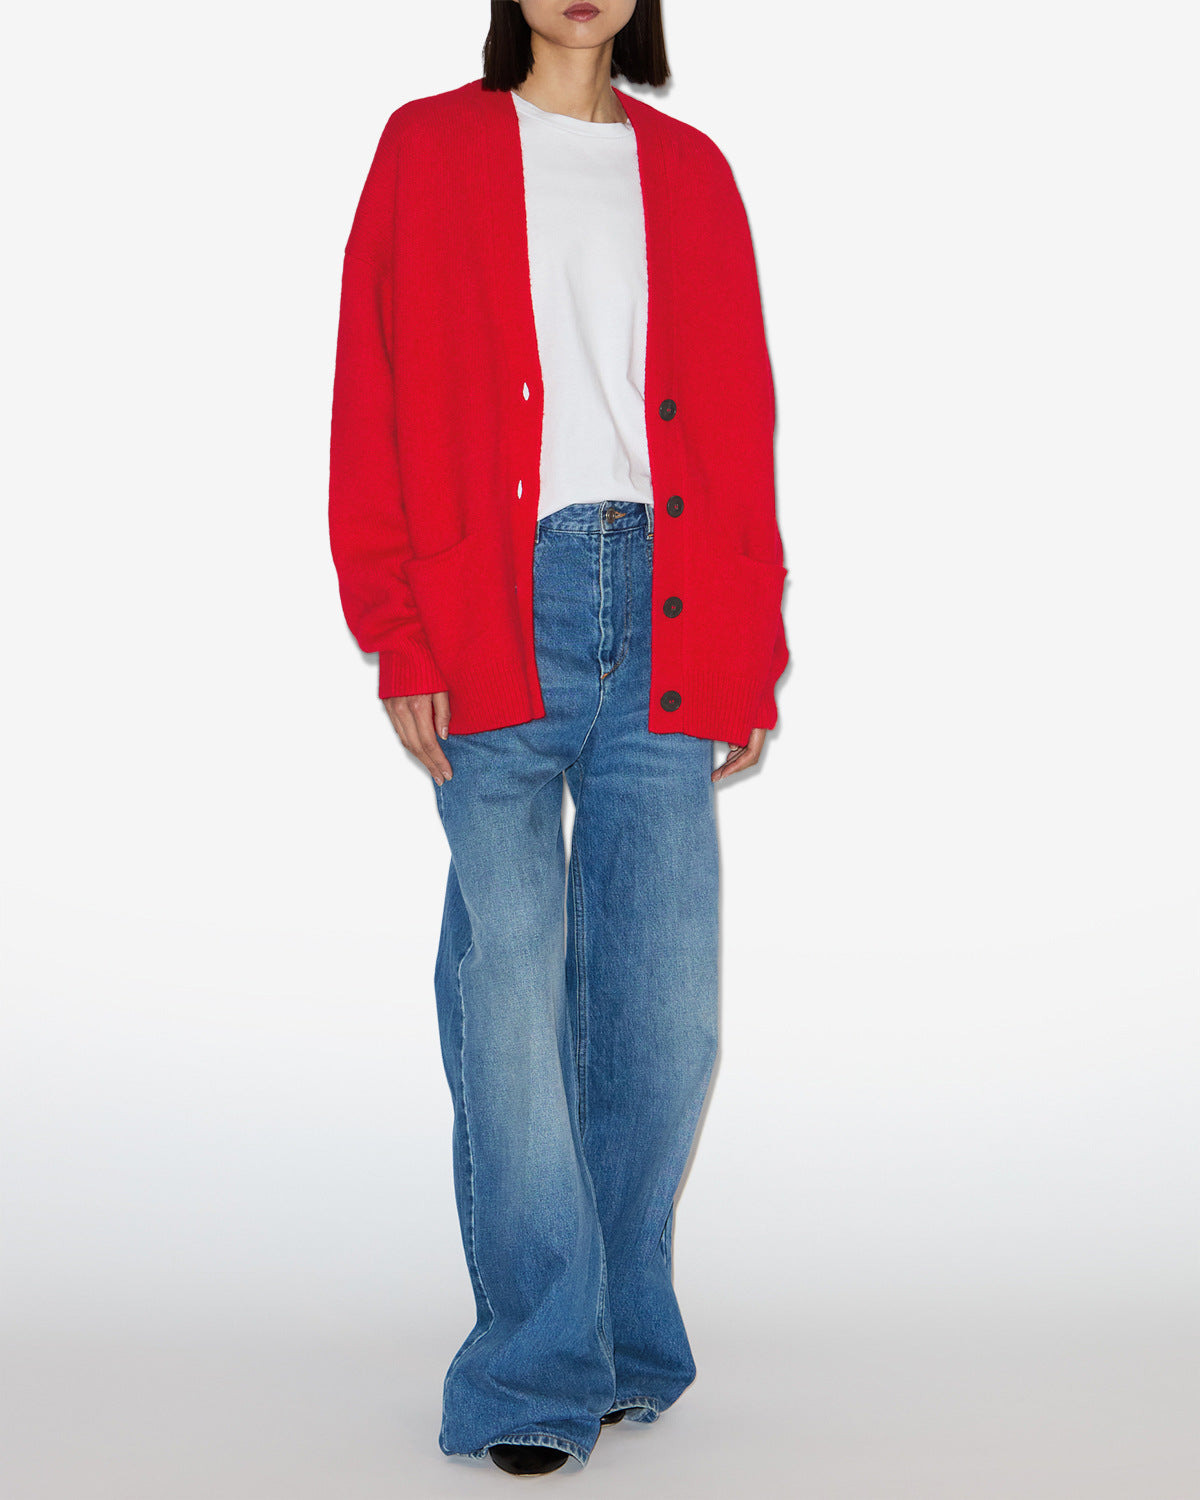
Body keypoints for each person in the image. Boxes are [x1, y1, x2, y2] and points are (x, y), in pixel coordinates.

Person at [328, 0, 788, 1478]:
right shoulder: (427, 149)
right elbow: (369, 390)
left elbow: (740, 416)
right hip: (492, 607)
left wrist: (746, 638)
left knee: (665, 1014)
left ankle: (625, 1338)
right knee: (511, 1001)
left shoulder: (693, 172)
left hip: (666, 608)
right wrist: (400, 626)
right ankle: (533, 1370)